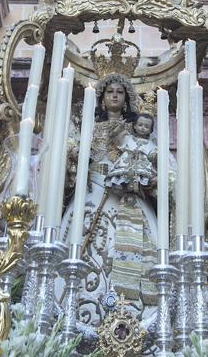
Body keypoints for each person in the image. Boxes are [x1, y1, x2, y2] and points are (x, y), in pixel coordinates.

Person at [60, 75, 158, 328]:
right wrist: (76, 154)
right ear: (101, 99)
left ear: (126, 99)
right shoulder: (90, 128)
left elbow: (147, 159)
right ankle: (75, 310)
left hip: (125, 196)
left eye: (120, 92)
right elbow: (75, 159)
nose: (114, 95)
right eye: (109, 92)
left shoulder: (136, 130)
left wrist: (132, 174)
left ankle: (129, 313)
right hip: (92, 194)